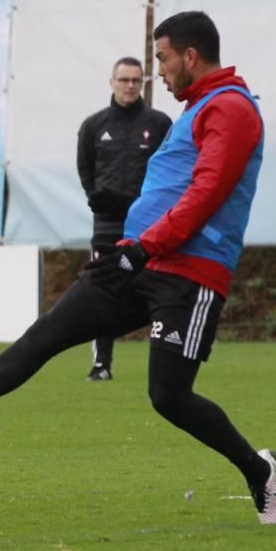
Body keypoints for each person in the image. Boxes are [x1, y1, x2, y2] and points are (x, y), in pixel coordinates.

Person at [0, 11, 276, 525]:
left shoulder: (231, 109)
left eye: (161, 58)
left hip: (189, 272)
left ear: (190, 56)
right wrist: (133, 247)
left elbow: (207, 193)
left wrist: (145, 246)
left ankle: (259, 471)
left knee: (169, 396)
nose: (155, 71)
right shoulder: (197, 108)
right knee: (46, 335)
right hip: (138, 258)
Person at [77, 58, 172, 381]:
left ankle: (167, 361)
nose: (130, 85)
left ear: (143, 83)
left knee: (159, 290)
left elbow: (170, 172)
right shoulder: (94, 125)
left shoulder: (159, 123)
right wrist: (99, 200)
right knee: (101, 292)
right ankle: (102, 364)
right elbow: (85, 169)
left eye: (136, 80)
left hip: (150, 228)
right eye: (124, 80)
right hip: (107, 227)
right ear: (112, 82)